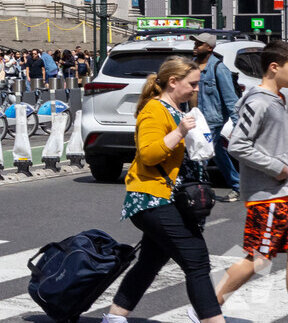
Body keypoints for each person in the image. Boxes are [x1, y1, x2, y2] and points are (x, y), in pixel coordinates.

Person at [104, 57, 225, 323]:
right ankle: (212, 319)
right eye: (192, 84)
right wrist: (180, 131)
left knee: (150, 262)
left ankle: (114, 317)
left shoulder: (179, 109)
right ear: (173, 81)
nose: (196, 89)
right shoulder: (154, 110)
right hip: (153, 198)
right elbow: (148, 155)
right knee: (197, 262)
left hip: (171, 199)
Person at [216, 41, 288, 310]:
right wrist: (278, 168)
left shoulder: (280, 99)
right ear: (274, 67)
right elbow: (237, 145)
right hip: (268, 195)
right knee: (258, 258)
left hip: (283, 194)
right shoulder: (258, 102)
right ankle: (208, 306)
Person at [197, 35, 243, 193]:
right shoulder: (191, 67)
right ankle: (238, 186)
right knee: (217, 155)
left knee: (201, 155)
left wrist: (238, 125)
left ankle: (196, 192)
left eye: (199, 44)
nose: (195, 46)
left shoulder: (218, 68)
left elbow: (231, 100)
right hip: (194, 119)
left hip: (212, 120)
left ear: (209, 48)